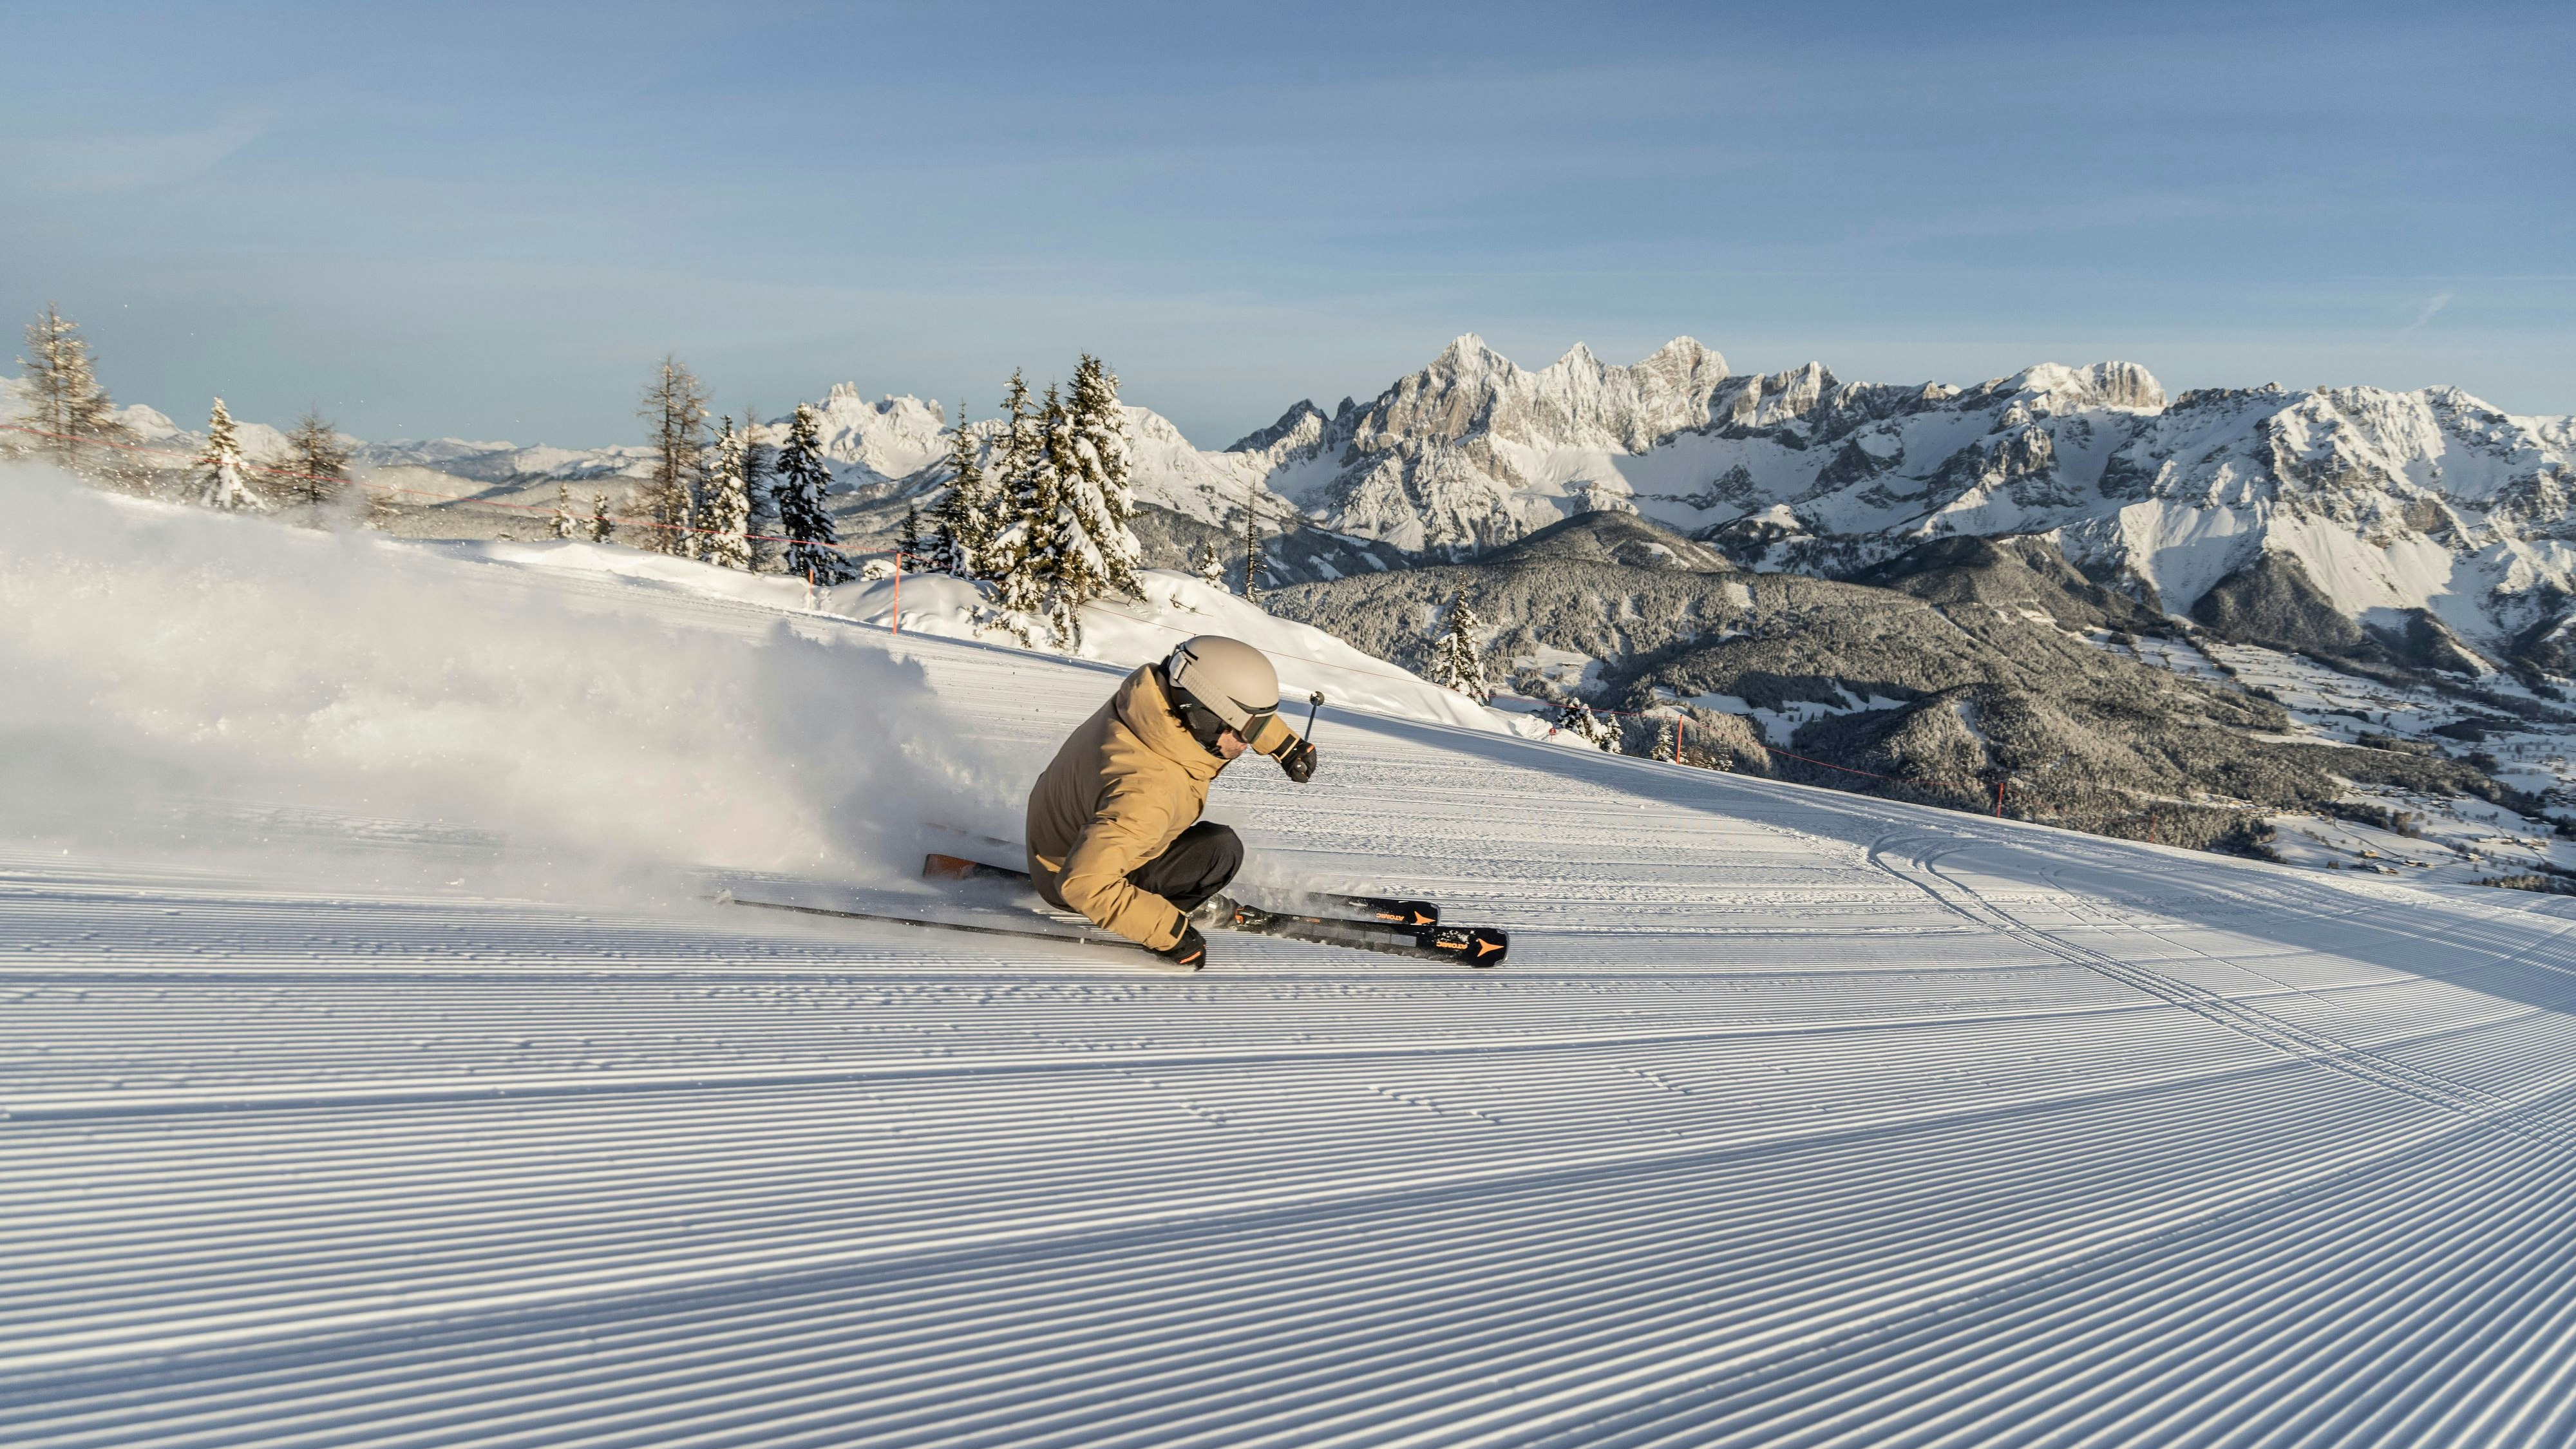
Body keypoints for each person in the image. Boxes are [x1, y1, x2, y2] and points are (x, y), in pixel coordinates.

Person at [1026, 636, 1319, 968]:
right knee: (1220, 851)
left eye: (1257, 728)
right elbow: (1083, 884)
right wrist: (1168, 932)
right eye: (1244, 732)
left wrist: (1285, 745)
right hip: (1072, 877)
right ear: (1204, 716)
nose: (1247, 744)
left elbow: (1226, 700)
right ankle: (1164, 906)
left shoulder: (1149, 702)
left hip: (1063, 830)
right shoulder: (1148, 792)